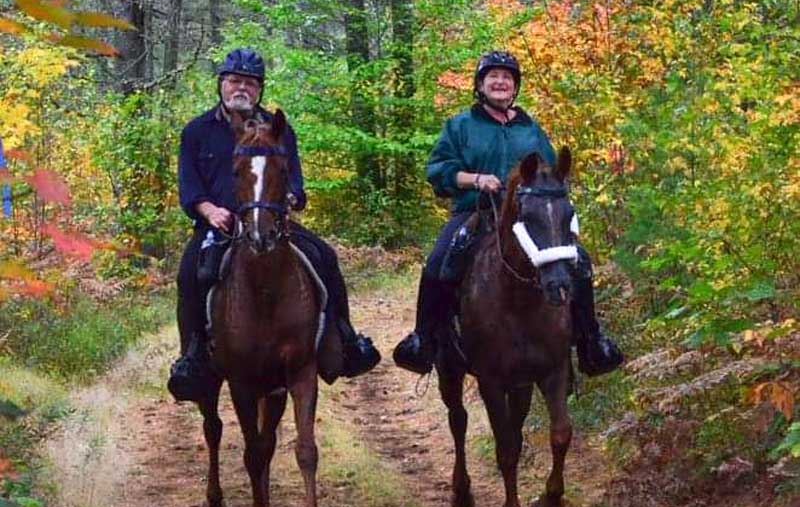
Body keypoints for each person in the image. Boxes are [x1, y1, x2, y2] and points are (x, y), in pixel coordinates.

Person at [168, 47, 381, 402]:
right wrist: (210, 212)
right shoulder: (197, 131)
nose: (242, 88)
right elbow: (190, 188)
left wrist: (295, 196)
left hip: (271, 222)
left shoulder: (279, 129)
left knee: (325, 257)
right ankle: (192, 356)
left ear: (260, 89)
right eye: (235, 80)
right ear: (221, 84)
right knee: (191, 272)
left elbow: (294, 179)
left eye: (250, 83)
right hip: (219, 225)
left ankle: (344, 339)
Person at [392, 50, 623, 377]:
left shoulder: (530, 129)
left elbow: (549, 171)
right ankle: (424, 340)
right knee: (438, 263)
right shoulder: (460, 125)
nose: (500, 82)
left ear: (515, 87)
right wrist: (475, 179)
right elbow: (439, 170)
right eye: (493, 77)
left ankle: (591, 341)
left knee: (579, 262)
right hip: (476, 211)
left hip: (528, 220)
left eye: (507, 78)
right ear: (480, 85)